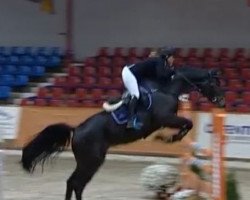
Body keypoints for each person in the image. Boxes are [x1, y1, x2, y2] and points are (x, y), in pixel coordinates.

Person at [121, 47, 176, 129]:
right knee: (136, 94)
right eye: (172, 57)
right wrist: (173, 72)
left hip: (136, 76)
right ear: (167, 56)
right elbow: (161, 76)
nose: (173, 60)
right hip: (129, 73)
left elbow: (158, 79)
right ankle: (131, 120)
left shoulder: (161, 63)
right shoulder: (160, 61)